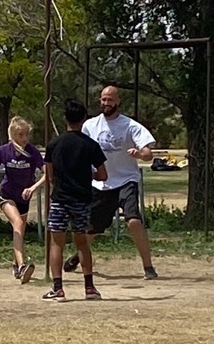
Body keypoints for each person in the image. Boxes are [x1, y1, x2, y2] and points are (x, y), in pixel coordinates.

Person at [63, 84, 159, 280]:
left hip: (126, 180)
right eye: (103, 99)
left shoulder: (130, 126)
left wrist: (140, 154)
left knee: (133, 221)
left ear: (118, 101)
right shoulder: (90, 125)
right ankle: (78, 256)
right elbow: (80, 147)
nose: (106, 103)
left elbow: (148, 153)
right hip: (102, 183)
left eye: (110, 99)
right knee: (93, 228)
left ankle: (148, 267)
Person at [43, 99, 108, 301]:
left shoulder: (54, 144)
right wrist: (87, 175)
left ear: (65, 118)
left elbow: (50, 175)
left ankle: (58, 288)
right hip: (82, 200)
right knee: (82, 242)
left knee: (56, 243)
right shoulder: (90, 145)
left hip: (60, 199)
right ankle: (89, 287)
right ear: (84, 119)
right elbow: (103, 175)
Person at [0, 117, 46, 284]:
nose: (25, 138)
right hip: (6, 195)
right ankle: (22, 266)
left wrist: (33, 188)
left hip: (24, 198)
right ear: (13, 135)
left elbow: (48, 174)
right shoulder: (4, 150)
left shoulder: (32, 152)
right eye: (21, 135)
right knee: (18, 223)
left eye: (27, 134)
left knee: (19, 230)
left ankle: (15, 264)